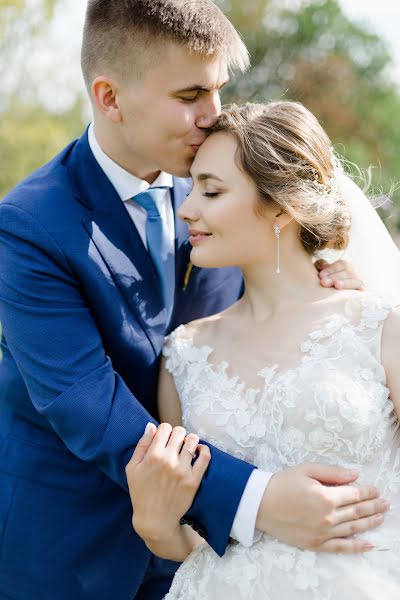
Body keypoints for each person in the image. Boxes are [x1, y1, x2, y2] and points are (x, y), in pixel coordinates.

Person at [0, 1, 390, 598]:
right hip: (71, 550)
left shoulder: (227, 178)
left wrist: (319, 268)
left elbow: (276, 259)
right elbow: (85, 404)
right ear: (110, 98)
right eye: (189, 96)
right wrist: (257, 499)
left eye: (217, 91)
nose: (212, 116)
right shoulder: (29, 226)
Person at [126, 100, 400, 598]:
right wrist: (154, 524)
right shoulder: (184, 354)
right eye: (192, 190)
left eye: (211, 191)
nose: (187, 209)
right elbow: (193, 537)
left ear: (280, 205)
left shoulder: (380, 327)